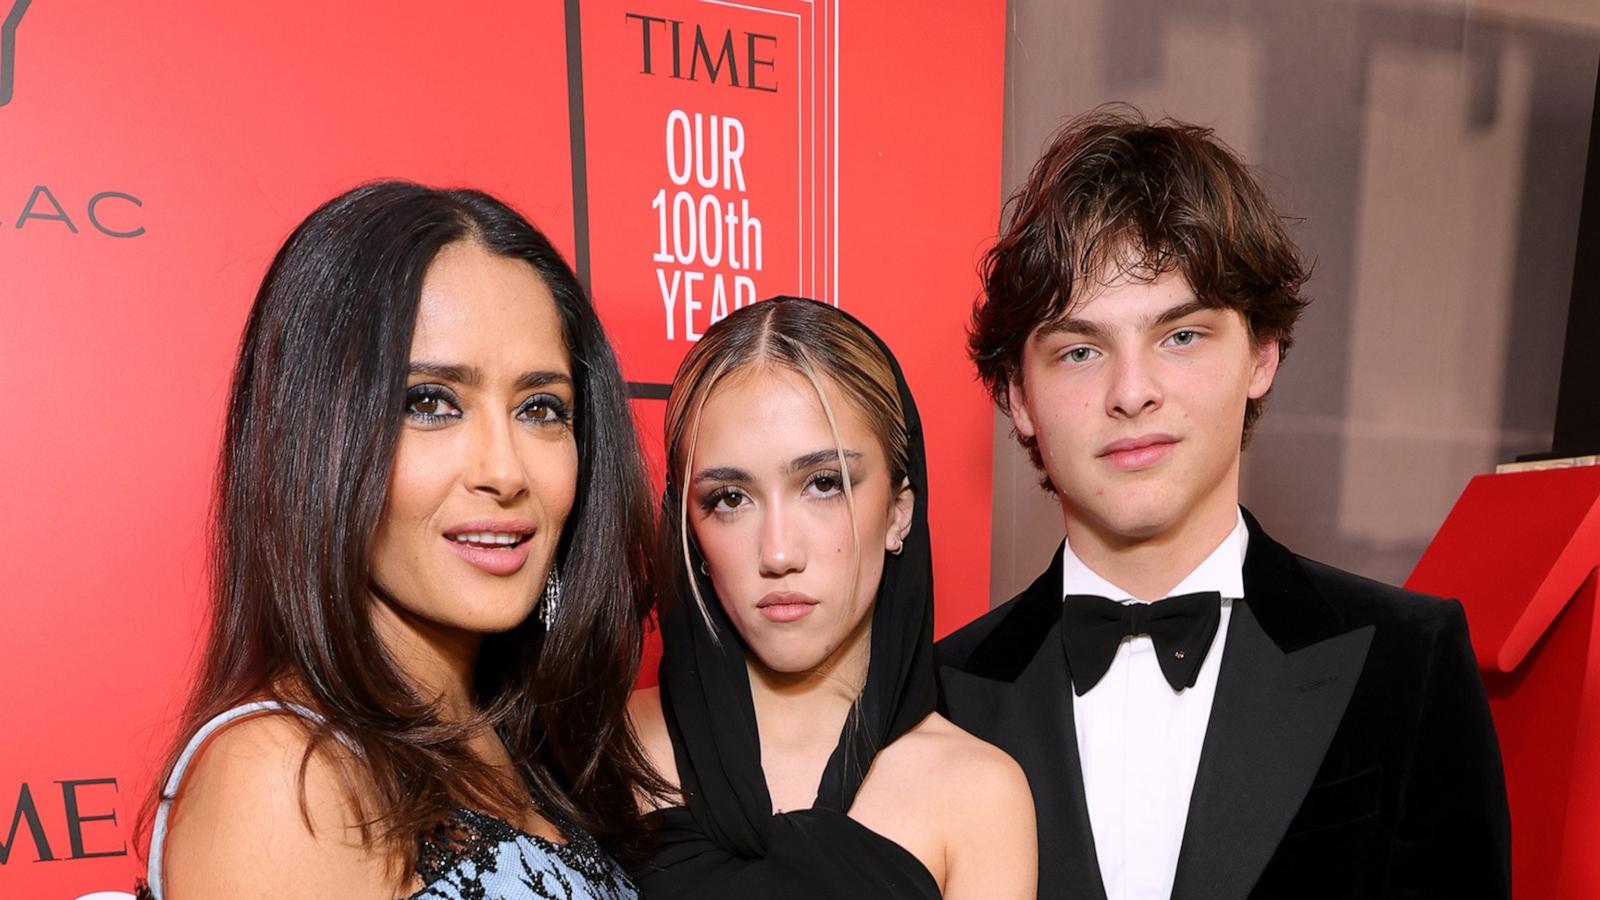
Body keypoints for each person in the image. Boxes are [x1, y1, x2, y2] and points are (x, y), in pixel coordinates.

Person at [937, 107, 1511, 899]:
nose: (1132, 392)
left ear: (1262, 354)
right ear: (1017, 397)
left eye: (1181, 336)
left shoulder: (1406, 665)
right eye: (1079, 350)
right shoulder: (935, 701)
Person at [136, 182, 661, 899]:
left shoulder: (520, 739)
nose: (505, 472)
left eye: (541, 408)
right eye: (430, 404)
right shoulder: (285, 778)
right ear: (318, 440)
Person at [627, 297, 1037, 899]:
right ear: (689, 526)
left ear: (899, 513)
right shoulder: (604, 748)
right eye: (730, 498)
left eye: (823, 484)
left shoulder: (978, 795)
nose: (778, 552)